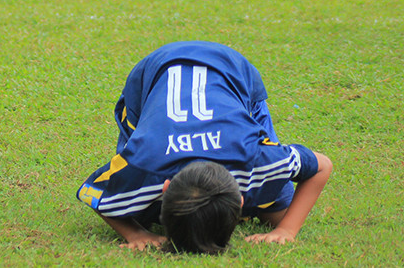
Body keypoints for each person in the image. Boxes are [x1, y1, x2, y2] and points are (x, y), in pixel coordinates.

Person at [77, 41, 333, 253]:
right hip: (153, 73)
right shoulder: (143, 162)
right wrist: (136, 232)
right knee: (139, 211)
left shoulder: (256, 157)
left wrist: (286, 230)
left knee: (277, 215)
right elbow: (93, 193)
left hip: (233, 70)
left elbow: (322, 167)